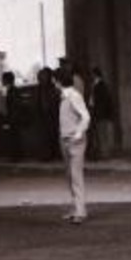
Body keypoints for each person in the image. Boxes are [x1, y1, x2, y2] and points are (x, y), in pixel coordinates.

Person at [56, 66, 91, 224]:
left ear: (58, 81)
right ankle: (76, 208)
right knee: (70, 176)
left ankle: (80, 211)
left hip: (73, 140)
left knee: (76, 176)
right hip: (65, 138)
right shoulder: (65, 96)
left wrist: (77, 134)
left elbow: (85, 117)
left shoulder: (73, 96)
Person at [87, 65, 117, 160]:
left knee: (101, 134)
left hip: (99, 113)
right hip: (97, 112)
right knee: (100, 134)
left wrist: (98, 111)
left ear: (95, 75)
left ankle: (104, 154)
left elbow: (103, 101)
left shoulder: (100, 86)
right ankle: (102, 153)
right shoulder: (97, 85)